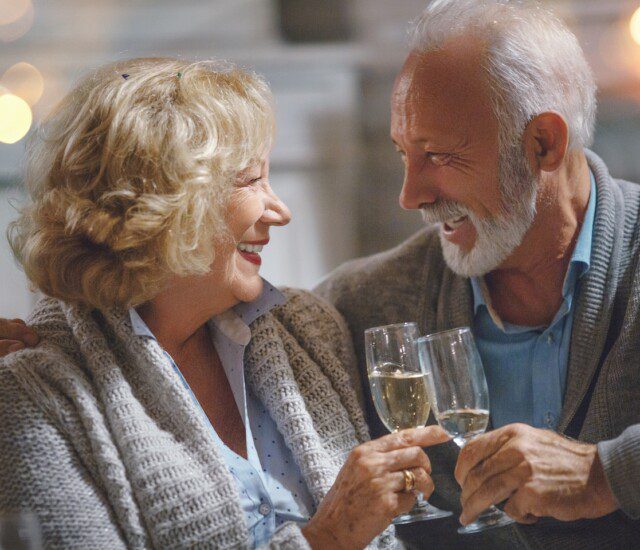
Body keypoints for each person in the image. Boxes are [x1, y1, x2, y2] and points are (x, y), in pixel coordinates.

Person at [0, 57, 450, 549]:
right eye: (251, 179)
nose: (280, 210)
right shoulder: (37, 394)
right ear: (160, 204)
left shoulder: (309, 328)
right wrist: (328, 538)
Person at [314, 1, 640, 548]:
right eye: (403, 154)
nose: (410, 195)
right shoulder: (360, 306)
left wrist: (605, 473)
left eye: (438, 156)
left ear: (543, 144)